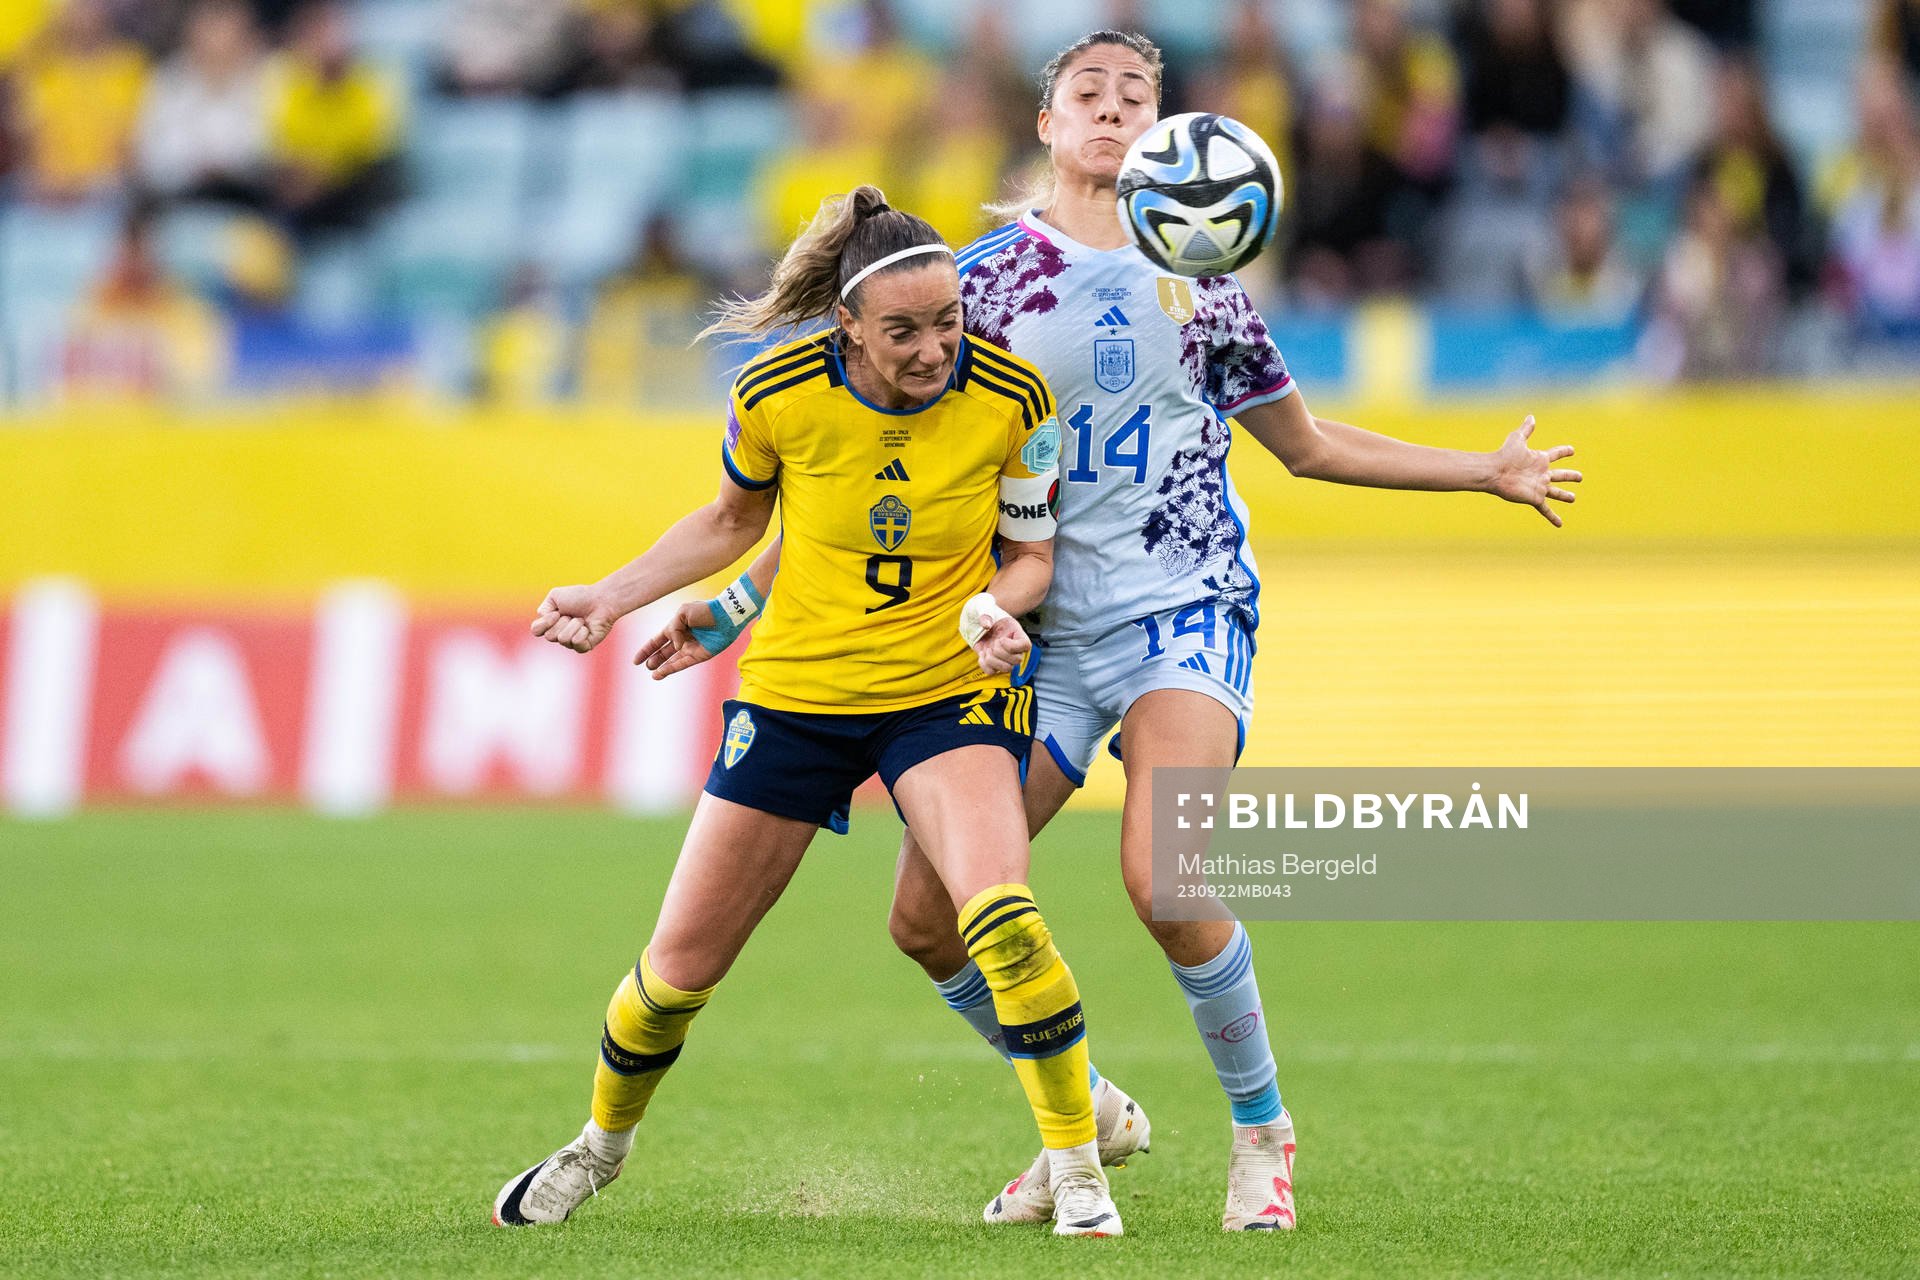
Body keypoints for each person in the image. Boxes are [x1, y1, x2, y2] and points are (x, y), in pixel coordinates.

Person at [640, 30, 1580, 1234]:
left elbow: (1305, 445)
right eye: (1088, 91)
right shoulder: (971, 291)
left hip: (1182, 610)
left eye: (1138, 94)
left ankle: (1262, 1133)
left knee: (1167, 875)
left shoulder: (1206, 282)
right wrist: (733, 600)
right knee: (923, 921)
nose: (1113, 107)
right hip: (1028, 636)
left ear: (1164, 133)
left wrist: (1481, 472)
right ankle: (1079, 1108)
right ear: (1046, 123)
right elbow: (873, 490)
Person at [492, 185, 1128, 1238]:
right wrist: (614, 597)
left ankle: (1081, 1168)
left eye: (949, 321)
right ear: (848, 326)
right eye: (904, 332)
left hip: (947, 692)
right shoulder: (776, 389)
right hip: (797, 696)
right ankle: (598, 1147)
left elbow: (1032, 557)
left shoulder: (1013, 396)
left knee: (1000, 915)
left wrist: (993, 608)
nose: (934, 350)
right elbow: (736, 518)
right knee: (673, 974)